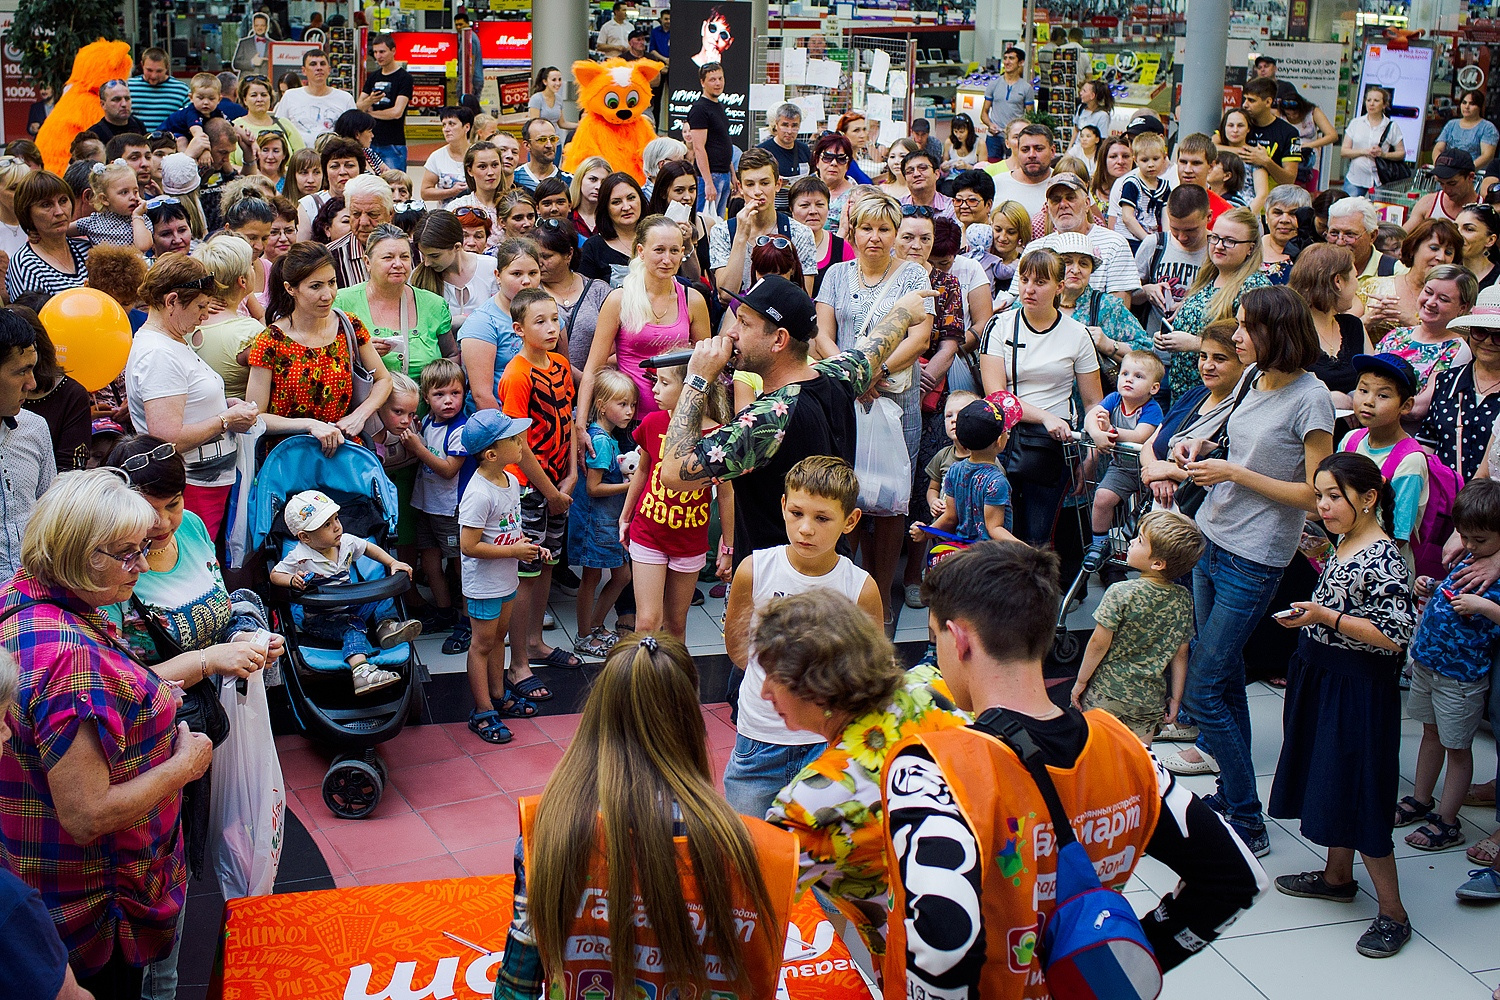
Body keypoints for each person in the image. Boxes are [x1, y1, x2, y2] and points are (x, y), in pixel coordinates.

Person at [882, 540, 1268, 998]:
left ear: (959, 637)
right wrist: (1127, 963)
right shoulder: (1124, 748)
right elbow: (1240, 878)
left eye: (935, 638)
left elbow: (942, 947)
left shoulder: (931, 767)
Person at [0, 469, 214, 1000]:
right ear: (76, 551)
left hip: (39, 872)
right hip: (92, 906)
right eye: (127, 553)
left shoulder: (22, 598)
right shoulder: (70, 658)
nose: (142, 566)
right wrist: (184, 765)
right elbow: (86, 814)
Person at [492, 629, 795, 1000]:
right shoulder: (747, 844)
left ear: (598, 712)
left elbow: (519, 980)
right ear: (689, 718)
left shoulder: (549, 825)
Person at [1156, 286, 1335, 858]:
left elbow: (1315, 495)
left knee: (1205, 688)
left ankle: (1248, 821)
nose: (1234, 337)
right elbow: (1236, 443)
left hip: (1256, 554)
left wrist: (1233, 473)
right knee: (1225, 677)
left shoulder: (1312, 400)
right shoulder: (1249, 380)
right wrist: (1200, 451)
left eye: (1245, 327)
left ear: (1275, 331)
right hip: (1212, 536)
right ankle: (1233, 803)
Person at [759, 586, 965, 961]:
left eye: (773, 675)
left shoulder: (811, 803)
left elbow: (746, 911)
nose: (763, 692)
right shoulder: (930, 686)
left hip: (922, 968)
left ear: (816, 684)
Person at [1267, 452, 1416, 957]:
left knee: (1360, 790)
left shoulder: (1384, 558)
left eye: (1335, 496)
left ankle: (1393, 912)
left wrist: (1325, 618)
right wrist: (1312, 618)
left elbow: (1395, 636)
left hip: (1356, 691)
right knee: (1329, 777)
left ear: (1369, 499)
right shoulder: (1346, 541)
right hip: (1324, 674)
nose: (1323, 505)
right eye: (1321, 495)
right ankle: (1336, 876)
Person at [721, 454, 882, 812]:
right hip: (760, 736)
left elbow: (872, 672)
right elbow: (737, 648)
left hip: (828, 740)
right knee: (749, 845)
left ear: (850, 521)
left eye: (822, 518)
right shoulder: (754, 570)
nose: (806, 528)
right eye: (797, 513)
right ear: (783, 507)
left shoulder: (860, 588)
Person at [813, 193, 936, 624]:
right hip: (845, 397)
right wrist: (853, 375)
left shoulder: (914, 275)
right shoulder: (834, 275)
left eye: (885, 229)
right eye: (867, 228)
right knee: (847, 492)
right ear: (852, 231)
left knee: (891, 499)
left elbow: (920, 339)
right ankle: (852, 589)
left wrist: (875, 369)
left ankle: (882, 598)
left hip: (895, 398)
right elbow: (822, 336)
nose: (875, 237)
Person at [124, 253, 258, 539]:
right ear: (172, 301)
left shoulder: (172, 341)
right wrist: (226, 419)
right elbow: (167, 437)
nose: (205, 315)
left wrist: (224, 406)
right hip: (190, 489)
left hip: (204, 485)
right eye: (200, 305)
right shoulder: (158, 353)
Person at [1404, 479, 1500, 852]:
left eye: (1481, 540)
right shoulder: (1469, 554)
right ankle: (1421, 797)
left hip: (1461, 678)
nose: (1470, 546)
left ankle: (1447, 820)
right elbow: (1453, 587)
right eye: (1465, 537)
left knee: (1458, 748)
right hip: (1429, 664)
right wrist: (1430, 586)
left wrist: (1484, 608)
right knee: (1429, 734)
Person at [497, 286, 581, 680]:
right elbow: (518, 444)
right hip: (530, 488)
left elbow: (566, 422)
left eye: (554, 319)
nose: (551, 328)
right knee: (526, 573)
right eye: (540, 321)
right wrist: (549, 490)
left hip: (559, 485)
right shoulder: (517, 375)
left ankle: (535, 642)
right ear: (519, 328)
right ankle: (518, 664)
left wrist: (572, 474)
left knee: (547, 563)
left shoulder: (561, 366)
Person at [246, 241, 393, 455]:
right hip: (290, 457)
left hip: (343, 451)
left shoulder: (348, 325)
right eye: (315, 286)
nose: (328, 295)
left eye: (332, 282)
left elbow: (383, 379)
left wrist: (359, 416)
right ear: (290, 288)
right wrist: (310, 425)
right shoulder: (271, 340)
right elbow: (256, 415)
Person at [1070, 510, 1203, 742]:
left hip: (1106, 691)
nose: (1131, 542)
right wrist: (1176, 698)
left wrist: (1081, 681)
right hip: (1149, 700)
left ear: (1158, 563)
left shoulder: (1120, 592)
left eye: (1140, 541)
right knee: (1140, 762)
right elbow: (1181, 654)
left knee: (1098, 756)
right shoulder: (1183, 598)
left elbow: (1098, 643)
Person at [268, 489, 415, 694]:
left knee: (382, 597)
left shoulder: (345, 541)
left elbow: (368, 548)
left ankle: (385, 627)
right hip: (320, 618)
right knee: (352, 627)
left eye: (336, 518)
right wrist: (292, 580)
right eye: (327, 525)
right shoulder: (301, 556)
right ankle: (361, 671)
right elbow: (275, 574)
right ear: (305, 537)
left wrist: (393, 562)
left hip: (348, 605)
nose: (337, 526)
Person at [454, 409, 537, 744]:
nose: (521, 444)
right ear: (491, 454)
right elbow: (469, 546)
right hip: (484, 584)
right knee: (482, 644)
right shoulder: (478, 493)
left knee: (498, 639)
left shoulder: (510, 480)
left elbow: (507, 529)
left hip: (505, 579)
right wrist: (513, 553)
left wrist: (524, 546)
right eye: (514, 440)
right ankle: (483, 709)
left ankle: (499, 694)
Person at [578, 216, 712, 422]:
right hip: (629, 421)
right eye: (659, 250)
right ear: (641, 251)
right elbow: (592, 369)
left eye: (674, 251)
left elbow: (705, 367)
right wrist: (581, 423)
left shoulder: (692, 299)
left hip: (678, 420)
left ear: (682, 253)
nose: (667, 259)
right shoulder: (619, 300)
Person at [1158, 206, 1271, 401]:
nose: (1219, 246)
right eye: (1215, 238)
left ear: (1250, 248)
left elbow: (1254, 346)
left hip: (1221, 396)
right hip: (1185, 393)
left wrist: (1194, 344)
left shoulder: (1255, 288)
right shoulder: (1208, 278)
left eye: (1230, 241)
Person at [1140, 319, 1247, 514]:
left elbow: (1230, 481)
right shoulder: (1194, 395)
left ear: (1244, 364)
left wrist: (1171, 471)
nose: (1207, 366)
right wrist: (1157, 474)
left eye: (1220, 359)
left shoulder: (1244, 411)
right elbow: (1149, 445)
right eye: (1203, 356)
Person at [568, 367, 636, 658]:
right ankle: (584, 635)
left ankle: (595, 625)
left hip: (606, 524)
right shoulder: (600, 442)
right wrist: (629, 487)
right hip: (594, 524)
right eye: (622, 404)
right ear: (601, 406)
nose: (629, 411)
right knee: (592, 578)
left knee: (621, 576)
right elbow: (594, 488)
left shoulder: (606, 439)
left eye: (632, 404)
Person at [1374, 263, 1477, 427]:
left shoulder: (1456, 350)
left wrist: (1371, 404)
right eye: (1428, 292)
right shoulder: (1397, 335)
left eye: (1443, 299)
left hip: (1411, 439)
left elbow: (1419, 408)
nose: (1430, 302)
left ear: (1462, 308)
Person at [910, 393, 1022, 544]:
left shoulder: (954, 471)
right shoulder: (997, 481)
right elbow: (994, 528)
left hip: (960, 554)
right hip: (989, 558)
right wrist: (1028, 551)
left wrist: (927, 532)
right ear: (999, 441)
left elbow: (950, 517)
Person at [710, 149, 818, 296]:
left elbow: (804, 297)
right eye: (749, 184)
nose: (757, 191)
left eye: (765, 183)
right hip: (735, 315)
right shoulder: (722, 232)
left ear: (778, 184)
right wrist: (740, 236)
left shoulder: (800, 233)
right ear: (740, 187)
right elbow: (727, 295)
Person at [1423, 283, 1500, 481]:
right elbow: (1428, 440)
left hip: (1491, 506)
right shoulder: (1447, 380)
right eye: (1480, 332)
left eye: (1498, 336)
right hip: (1442, 501)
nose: (1488, 342)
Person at [1086, 350, 1165, 539]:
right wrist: (1097, 433)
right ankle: (1099, 543)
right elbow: (1091, 416)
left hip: (1148, 469)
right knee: (1102, 497)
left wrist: (1110, 431)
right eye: (1125, 374)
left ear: (1153, 388)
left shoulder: (1152, 409)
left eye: (1138, 376)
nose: (1129, 380)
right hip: (1121, 467)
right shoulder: (1114, 399)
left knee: (1151, 512)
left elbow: (1139, 436)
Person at [0, 310, 55, 577]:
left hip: (33, 594)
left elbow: (51, 517)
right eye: (21, 371)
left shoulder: (34, 428)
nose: (31, 384)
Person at [1288, 243, 1374, 406]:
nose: (1357, 285)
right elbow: (1278, 392)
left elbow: (1373, 381)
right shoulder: (1290, 331)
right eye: (1355, 277)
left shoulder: (1353, 326)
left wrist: (1358, 396)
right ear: (1338, 281)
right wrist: (1326, 398)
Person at [533, 219, 611, 379]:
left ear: (568, 254)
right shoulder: (531, 292)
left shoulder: (598, 290)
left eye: (547, 256)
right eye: (535, 256)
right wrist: (579, 378)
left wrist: (592, 380)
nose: (539, 263)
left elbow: (621, 344)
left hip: (597, 385)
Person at [1363, 218, 1463, 338]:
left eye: (1448, 252)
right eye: (1434, 248)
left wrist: (1412, 322)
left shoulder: (1454, 299)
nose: (1441, 257)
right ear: (1413, 249)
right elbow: (1341, 332)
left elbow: (1459, 343)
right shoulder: (1373, 286)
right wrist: (1369, 320)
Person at [411, 209, 497, 342]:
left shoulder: (491, 268)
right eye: (423, 255)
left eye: (434, 256)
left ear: (457, 247)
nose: (427, 263)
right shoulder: (417, 278)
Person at [5, 170, 91, 300]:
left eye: (63, 201)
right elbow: (31, 318)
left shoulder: (87, 249)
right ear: (27, 213)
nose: (59, 211)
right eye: (46, 205)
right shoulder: (26, 264)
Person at [276, 49, 356, 149]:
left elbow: (354, 136)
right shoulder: (290, 96)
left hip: (334, 159)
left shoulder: (345, 98)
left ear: (329, 69)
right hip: (299, 159)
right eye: (313, 64)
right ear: (304, 70)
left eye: (322, 64)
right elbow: (279, 129)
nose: (319, 68)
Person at [325, 173, 394, 288]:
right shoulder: (328, 257)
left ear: (390, 214)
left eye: (373, 214)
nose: (363, 222)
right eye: (356, 214)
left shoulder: (414, 252)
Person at [355, 33, 412, 172]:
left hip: (393, 142)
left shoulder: (404, 78)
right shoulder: (373, 77)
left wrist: (370, 113)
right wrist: (370, 101)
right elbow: (357, 106)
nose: (378, 56)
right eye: (375, 52)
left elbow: (396, 112)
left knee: (394, 185)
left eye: (382, 51)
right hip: (370, 142)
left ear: (393, 51)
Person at [577, 172, 643, 282]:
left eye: (631, 198)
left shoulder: (658, 237)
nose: (626, 207)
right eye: (616, 202)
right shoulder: (593, 247)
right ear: (605, 207)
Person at [687, 62, 734, 215]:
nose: (718, 83)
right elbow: (699, 147)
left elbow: (724, 141)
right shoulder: (700, 109)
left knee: (719, 223)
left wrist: (733, 173)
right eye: (712, 79)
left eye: (720, 78)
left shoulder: (718, 105)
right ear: (702, 82)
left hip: (724, 172)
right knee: (705, 220)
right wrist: (708, 182)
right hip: (710, 175)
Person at [1342, 86, 1405, 197]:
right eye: (1368, 100)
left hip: (1380, 178)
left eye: (1376, 101)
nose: (1371, 104)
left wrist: (1383, 154)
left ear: (1384, 105)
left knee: (1379, 212)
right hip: (1356, 176)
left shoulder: (1391, 126)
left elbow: (1401, 153)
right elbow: (1344, 151)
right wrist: (1364, 151)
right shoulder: (1356, 123)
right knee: (1348, 209)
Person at [1240, 76, 1302, 188]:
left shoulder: (1289, 133)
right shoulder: (1238, 123)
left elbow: (1289, 180)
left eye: (1251, 100)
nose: (1245, 104)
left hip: (1270, 200)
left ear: (1268, 102)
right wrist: (1244, 152)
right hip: (1237, 198)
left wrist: (1266, 162)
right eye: (1245, 99)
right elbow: (1214, 146)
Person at [1114, 130, 1171, 249]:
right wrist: (1147, 239)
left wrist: (1166, 240)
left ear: (1164, 158)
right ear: (1135, 160)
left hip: (1152, 238)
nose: (1150, 165)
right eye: (1145, 160)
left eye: (1155, 159)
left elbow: (1166, 217)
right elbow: (1127, 217)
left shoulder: (1164, 186)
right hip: (1129, 239)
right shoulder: (1132, 183)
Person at [991, 123, 1053, 226]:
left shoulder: (1065, 182)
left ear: (1052, 151)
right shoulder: (997, 183)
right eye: (1025, 150)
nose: (1031, 155)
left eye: (1039, 149)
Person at [448, 141, 506, 249]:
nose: (490, 172)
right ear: (470, 170)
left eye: (495, 165)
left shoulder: (514, 205)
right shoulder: (456, 207)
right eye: (482, 167)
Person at [980, 46, 1033, 162]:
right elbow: (984, 113)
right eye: (1005, 58)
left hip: (1016, 138)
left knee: (1015, 167)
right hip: (994, 137)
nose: (1007, 62)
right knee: (992, 167)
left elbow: (1030, 117)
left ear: (1021, 62)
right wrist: (990, 124)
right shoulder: (993, 84)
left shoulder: (1026, 88)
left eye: (1011, 58)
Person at [1409, 149, 1480, 227]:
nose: (1446, 190)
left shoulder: (1485, 211)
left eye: (1452, 183)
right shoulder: (1427, 203)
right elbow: (1403, 236)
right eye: (1441, 183)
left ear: (1470, 177)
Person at [1259, 183, 1312, 283]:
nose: (1284, 220)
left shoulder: (1314, 255)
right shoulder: (1249, 250)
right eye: (1277, 213)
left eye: (1293, 214)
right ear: (1266, 216)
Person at [421, 106, 474, 206]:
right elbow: (425, 193)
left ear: (467, 127)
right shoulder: (437, 157)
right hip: (447, 217)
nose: (446, 129)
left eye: (451, 124)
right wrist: (451, 192)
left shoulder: (478, 154)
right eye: (444, 125)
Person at [1434, 90, 1499, 171]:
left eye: (1471, 104)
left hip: (1472, 176)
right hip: (1447, 173)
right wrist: (1439, 165)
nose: (1466, 107)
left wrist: (1464, 171)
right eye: (1464, 103)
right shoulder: (1451, 124)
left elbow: (1487, 156)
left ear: (1480, 107)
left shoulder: (1488, 128)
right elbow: (1438, 148)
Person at [758, 103, 812, 182]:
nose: (789, 131)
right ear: (776, 125)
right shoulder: (762, 151)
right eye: (785, 125)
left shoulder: (804, 149)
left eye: (794, 126)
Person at [513, 119, 568, 193]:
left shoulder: (570, 180)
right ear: (527, 145)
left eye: (553, 139)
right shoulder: (514, 178)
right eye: (542, 140)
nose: (549, 145)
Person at [1458, 202, 1500, 293]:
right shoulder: (1446, 272)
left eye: (1469, 229)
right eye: (1455, 227)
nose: (1458, 234)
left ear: (1490, 240)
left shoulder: (1497, 279)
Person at [567, 157, 612, 240]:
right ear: (580, 180)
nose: (598, 186)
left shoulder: (612, 218)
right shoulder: (566, 216)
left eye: (604, 181)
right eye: (593, 179)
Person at [527, 66, 579, 136]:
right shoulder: (536, 99)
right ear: (545, 82)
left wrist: (580, 125)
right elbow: (534, 125)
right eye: (554, 80)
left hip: (556, 141)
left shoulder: (559, 99)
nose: (558, 83)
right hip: (542, 142)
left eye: (559, 79)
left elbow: (562, 124)